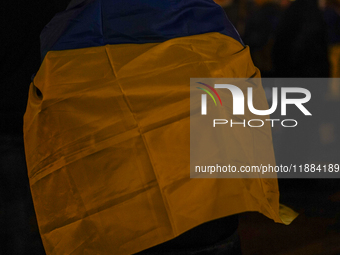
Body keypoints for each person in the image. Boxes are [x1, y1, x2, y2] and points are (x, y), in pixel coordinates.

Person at [23, 1, 296, 254]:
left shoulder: (68, 33)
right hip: (210, 216)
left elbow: (53, 126)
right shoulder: (210, 21)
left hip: (123, 223)